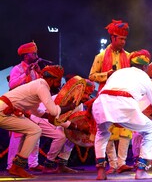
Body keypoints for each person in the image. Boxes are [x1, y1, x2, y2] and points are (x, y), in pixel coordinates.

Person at [92, 50, 152, 180]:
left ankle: (100, 171)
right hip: (123, 104)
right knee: (151, 129)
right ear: (145, 67)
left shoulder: (118, 72)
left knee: (102, 133)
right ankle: (141, 170)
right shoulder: (144, 77)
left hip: (101, 102)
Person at [0, 65, 76, 178]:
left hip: (6, 111)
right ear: (51, 79)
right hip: (4, 112)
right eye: (58, 81)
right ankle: (17, 167)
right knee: (35, 130)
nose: (59, 85)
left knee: (34, 130)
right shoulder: (42, 86)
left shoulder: (38, 85)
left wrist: (48, 116)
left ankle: (16, 166)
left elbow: (36, 111)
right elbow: (54, 111)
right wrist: (69, 107)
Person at [89, 19, 133, 174]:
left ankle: (121, 163)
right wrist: (106, 75)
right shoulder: (100, 56)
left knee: (126, 130)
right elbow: (92, 76)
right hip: (107, 98)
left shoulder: (128, 56)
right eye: (120, 39)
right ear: (113, 38)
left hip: (123, 96)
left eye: (125, 39)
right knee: (106, 130)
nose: (123, 42)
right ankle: (112, 164)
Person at [29, 78, 95, 173]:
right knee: (61, 136)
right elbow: (54, 117)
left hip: (54, 122)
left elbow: (71, 122)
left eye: (89, 95)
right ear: (79, 90)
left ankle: (62, 164)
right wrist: (76, 127)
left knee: (73, 135)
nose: (87, 97)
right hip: (40, 118)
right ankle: (49, 164)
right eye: (85, 93)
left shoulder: (79, 105)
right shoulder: (65, 98)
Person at [6, 41, 44, 171]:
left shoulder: (34, 70)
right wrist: (26, 74)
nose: (36, 55)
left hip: (31, 106)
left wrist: (39, 73)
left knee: (35, 133)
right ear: (26, 56)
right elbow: (12, 85)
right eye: (33, 53)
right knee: (17, 136)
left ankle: (33, 164)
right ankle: (11, 165)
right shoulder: (17, 69)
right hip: (19, 106)